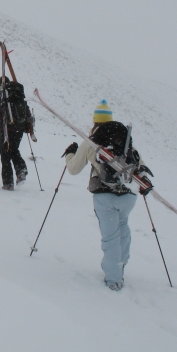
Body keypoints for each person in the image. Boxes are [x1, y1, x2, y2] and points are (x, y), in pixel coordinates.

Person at [62, 100, 153, 291]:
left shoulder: (91, 143)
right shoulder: (125, 141)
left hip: (105, 196)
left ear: (95, 121)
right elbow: (139, 164)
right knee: (123, 226)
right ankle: (121, 264)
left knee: (110, 236)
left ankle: (114, 279)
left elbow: (73, 169)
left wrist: (71, 154)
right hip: (128, 196)